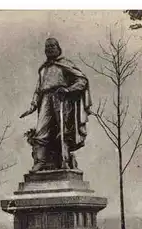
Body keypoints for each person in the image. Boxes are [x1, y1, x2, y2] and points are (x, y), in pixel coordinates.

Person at [20, 38, 92, 171]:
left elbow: (82, 80)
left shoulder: (65, 64)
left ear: (58, 48)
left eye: (53, 46)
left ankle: (65, 160)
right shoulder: (43, 69)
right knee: (41, 130)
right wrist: (32, 105)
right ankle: (40, 161)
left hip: (61, 99)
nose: (50, 49)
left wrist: (68, 90)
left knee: (63, 131)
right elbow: (38, 89)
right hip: (45, 100)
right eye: (47, 47)